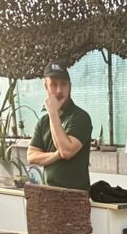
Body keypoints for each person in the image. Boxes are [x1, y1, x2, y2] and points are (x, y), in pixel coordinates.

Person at [27, 63, 92, 191]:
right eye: (53, 84)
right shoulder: (43, 122)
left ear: (70, 86)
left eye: (63, 84)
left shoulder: (80, 117)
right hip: (49, 193)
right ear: (46, 86)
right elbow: (31, 156)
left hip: (75, 196)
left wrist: (53, 113)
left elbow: (67, 151)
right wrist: (56, 155)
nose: (59, 90)